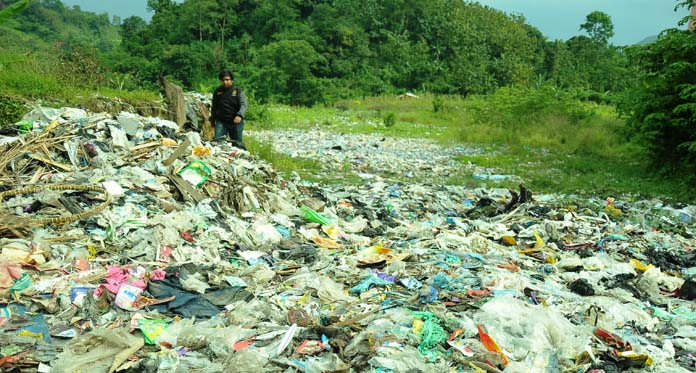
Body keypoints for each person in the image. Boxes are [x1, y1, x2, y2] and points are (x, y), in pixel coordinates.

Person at [210, 69, 248, 149]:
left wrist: (239, 115)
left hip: (236, 122)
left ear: (232, 80)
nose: (225, 82)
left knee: (237, 144)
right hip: (221, 122)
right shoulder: (217, 91)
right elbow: (214, 106)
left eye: (227, 80)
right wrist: (212, 120)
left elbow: (243, 105)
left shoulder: (238, 91)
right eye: (223, 80)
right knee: (218, 143)